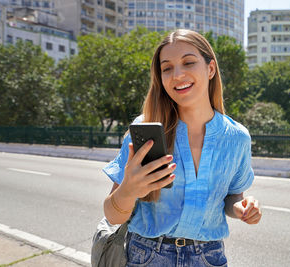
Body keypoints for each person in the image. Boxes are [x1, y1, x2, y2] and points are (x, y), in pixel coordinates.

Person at [102, 29, 262, 267]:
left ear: (210, 69)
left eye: (188, 62)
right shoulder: (144, 130)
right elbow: (112, 215)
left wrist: (240, 206)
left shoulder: (237, 137)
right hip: (146, 257)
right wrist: (128, 189)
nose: (177, 74)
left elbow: (231, 195)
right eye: (167, 68)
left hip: (209, 258)